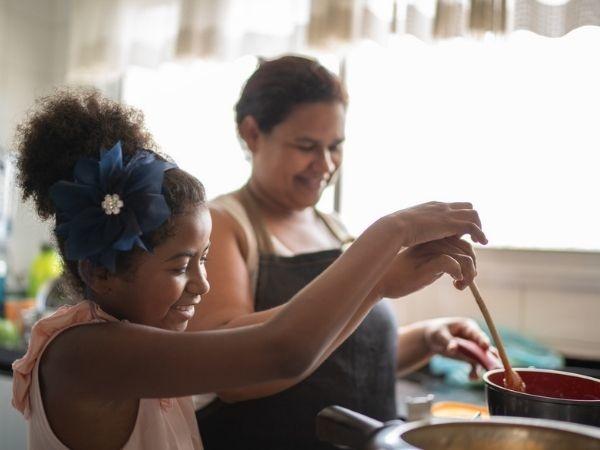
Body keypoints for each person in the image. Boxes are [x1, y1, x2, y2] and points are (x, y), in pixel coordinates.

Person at [11, 88, 486, 450]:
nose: (202, 282)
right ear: (100, 273)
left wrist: (380, 281)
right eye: (181, 265)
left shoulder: (136, 339)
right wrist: (392, 232)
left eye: (203, 258)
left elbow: (287, 340)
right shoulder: (86, 354)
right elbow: (280, 350)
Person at [189, 55, 494, 450]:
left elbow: (339, 358)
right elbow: (232, 375)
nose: (326, 164)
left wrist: (426, 339)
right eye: (306, 146)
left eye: (336, 146)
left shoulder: (334, 228)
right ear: (251, 134)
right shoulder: (224, 224)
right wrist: (378, 277)